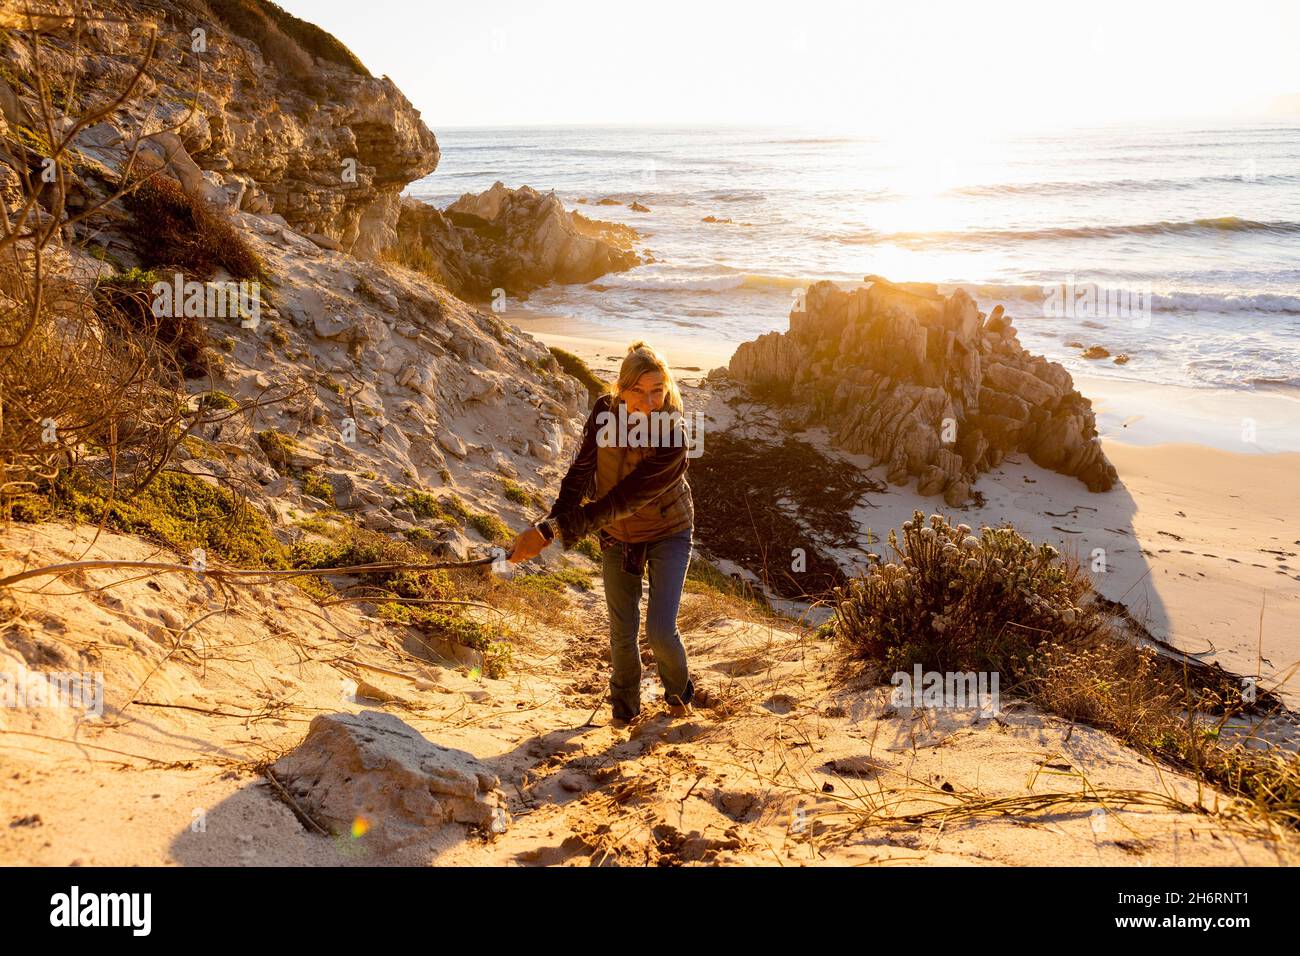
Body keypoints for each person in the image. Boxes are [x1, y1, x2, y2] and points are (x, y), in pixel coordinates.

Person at [508, 340, 696, 726]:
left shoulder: (674, 434)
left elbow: (623, 500)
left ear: (667, 388)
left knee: (660, 631)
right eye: (638, 391)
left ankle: (679, 698)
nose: (649, 401)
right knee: (622, 630)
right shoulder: (603, 412)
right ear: (619, 389)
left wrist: (552, 529)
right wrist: (549, 528)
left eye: (657, 390)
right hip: (617, 535)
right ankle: (624, 712)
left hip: (668, 531)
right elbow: (580, 474)